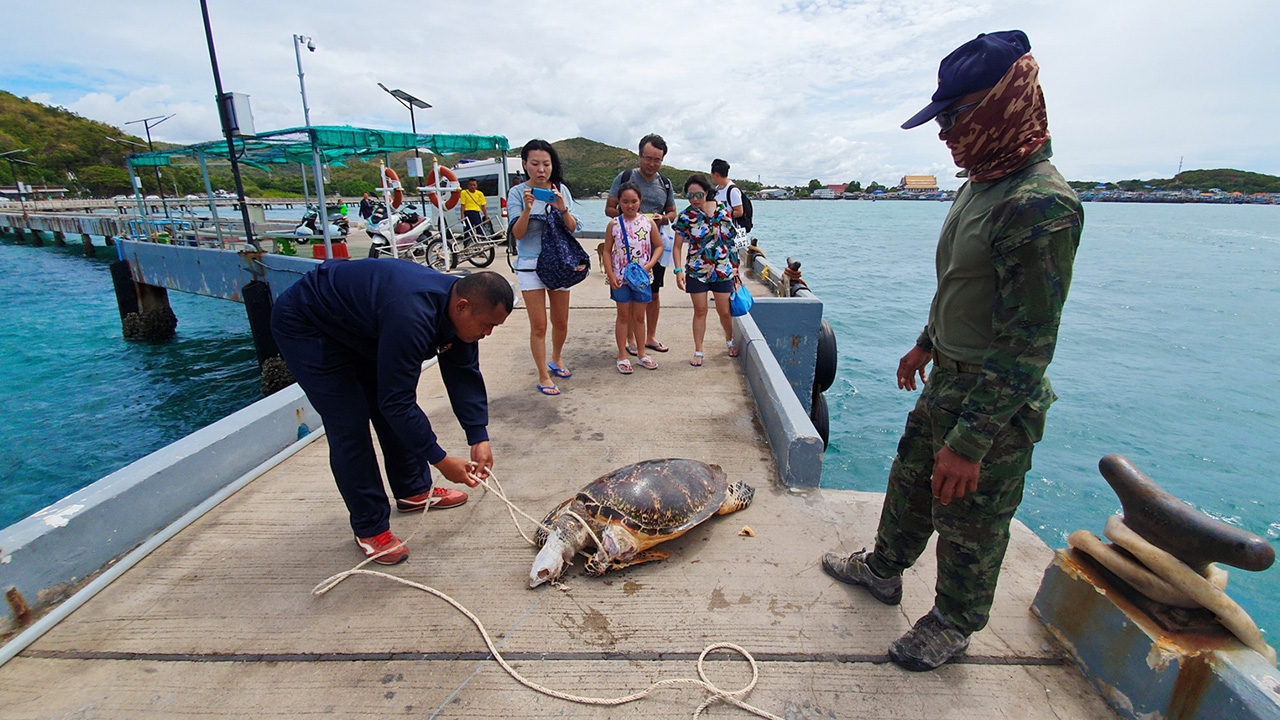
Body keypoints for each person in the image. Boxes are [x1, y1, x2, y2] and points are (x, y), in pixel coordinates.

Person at [820, 30, 1083, 671]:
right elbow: (963, 288)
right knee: (909, 483)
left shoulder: (1039, 205)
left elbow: (1029, 342)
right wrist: (924, 344)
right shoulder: (982, 182)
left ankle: (954, 622)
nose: (943, 134)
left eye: (954, 116)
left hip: (993, 397)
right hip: (949, 378)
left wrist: (971, 443)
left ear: (1003, 102)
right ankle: (884, 570)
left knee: (971, 522)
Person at [271, 261, 514, 565]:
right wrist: (439, 459)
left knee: (389, 404)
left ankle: (413, 490)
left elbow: (463, 372)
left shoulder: (459, 309)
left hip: (360, 325)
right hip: (309, 325)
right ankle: (370, 527)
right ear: (463, 307)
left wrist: (479, 435)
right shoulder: (411, 314)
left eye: (495, 327)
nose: (488, 333)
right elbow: (397, 403)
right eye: (486, 325)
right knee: (350, 422)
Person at [507, 139, 578, 396]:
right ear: (524, 164)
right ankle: (543, 374)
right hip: (529, 265)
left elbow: (572, 228)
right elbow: (518, 234)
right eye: (535, 164)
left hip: (559, 263)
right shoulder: (517, 193)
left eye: (546, 164)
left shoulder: (560, 190)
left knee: (561, 321)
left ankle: (556, 358)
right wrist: (526, 209)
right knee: (539, 325)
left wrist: (562, 208)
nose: (541, 170)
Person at [605, 134, 677, 356]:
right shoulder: (625, 177)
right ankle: (629, 339)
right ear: (639, 156)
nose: (652, 164)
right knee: (627, 297)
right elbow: (609, 208)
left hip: (653, 246)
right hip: (626, 249)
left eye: (657, 160)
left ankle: (650, 336)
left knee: (653, 293)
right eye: (648, 158)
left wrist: (661, 219)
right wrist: (630, 215)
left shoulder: (665, 183)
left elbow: (673, 212)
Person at [672, 173, 740, 367]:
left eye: (698, 195)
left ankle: (729, 340)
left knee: (724, 311)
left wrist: (735, 270)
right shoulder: (685, 216)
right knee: (700, 310)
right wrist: (678, 271)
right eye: (690, 195)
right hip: (696, 270)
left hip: (722, 269)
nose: (694, 199)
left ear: (707, 193)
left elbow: (731, 243)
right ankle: (698, 350)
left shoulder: (722, 211)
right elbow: (677, 246)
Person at [604, 182, 662, 374]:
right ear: (619, 202)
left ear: (640, 201)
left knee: (639, 317)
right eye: (625, 201)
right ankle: (622, 355)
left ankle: (642, 354)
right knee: (623, 316)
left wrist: (649, 266)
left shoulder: (648, 222)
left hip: (642, 279)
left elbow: (658, 246)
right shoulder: (614, 224)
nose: (630, 205)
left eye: (634, 201)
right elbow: (606, 251)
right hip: (620, 278)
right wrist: (610, 274)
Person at [710, 159, 744, 223]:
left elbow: (739, 212)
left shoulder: (733, 190)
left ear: (716, 175)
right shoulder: (717, 189)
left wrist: (722, 216)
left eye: (711, 173)